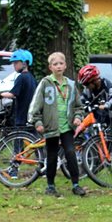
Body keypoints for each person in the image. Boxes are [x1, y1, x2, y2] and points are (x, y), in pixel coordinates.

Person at [27, 51, 86, 197]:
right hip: (51, 126)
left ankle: (76, 184)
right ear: (50, 67)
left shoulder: (71, 85)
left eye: (61, 63)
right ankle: (50, 185)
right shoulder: (45, 83)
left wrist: (78, 117)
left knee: (71, 153)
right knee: (52, 155)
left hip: (66, 127)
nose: (58, 66)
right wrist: (38, 122)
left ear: (65, 66)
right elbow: (36, 105)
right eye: (55, 64)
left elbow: (79, 106)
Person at [77, 64, 112, 143]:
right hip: (98, 119)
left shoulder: (107, 84)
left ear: (94, 80)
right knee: (94, 140)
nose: (86, 87)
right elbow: (82, 100)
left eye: (87, 84)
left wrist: (106, 105)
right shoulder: (88, 90)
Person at [0, 49, 36, 129]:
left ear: (24, 63)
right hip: (29, 113)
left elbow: (12, 94)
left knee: (18, 136)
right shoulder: (31, 77)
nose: (14, 65)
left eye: (16, 63)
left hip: (22, 114)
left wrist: (0, 95)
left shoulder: (21, 77)